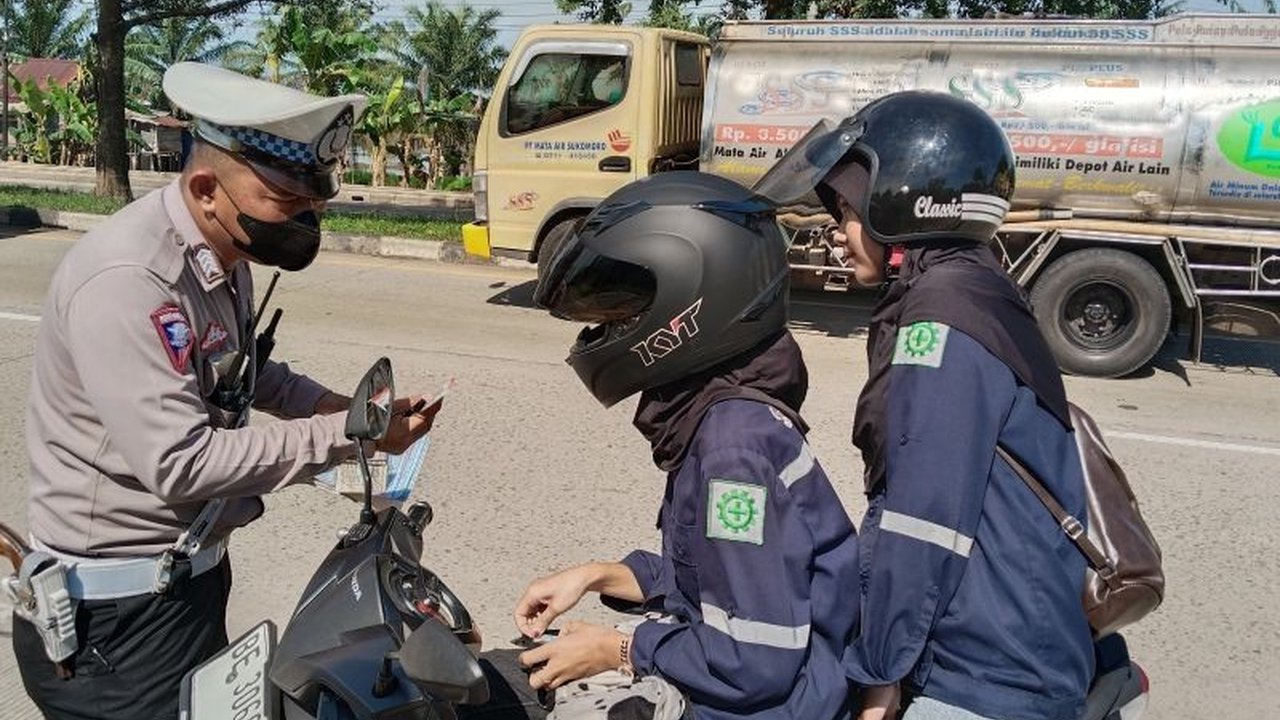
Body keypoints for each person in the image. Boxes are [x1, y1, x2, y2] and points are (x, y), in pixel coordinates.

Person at [12, 62, 443, 720]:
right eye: (288, 201)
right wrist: (348, 435)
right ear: (208, 187)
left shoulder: (220, 252)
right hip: (113, 629)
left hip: (184, 588)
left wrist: (338, 407)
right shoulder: (130, 279)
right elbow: (181, 464)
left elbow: (239, 371)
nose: (309, 217)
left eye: (315, 198)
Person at [755, 91, 1095, 720]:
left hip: (985, 671)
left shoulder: (938, 322)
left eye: (847, 209)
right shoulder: (976, 286)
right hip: (1011, 633)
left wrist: (880, 672)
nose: (836, 229)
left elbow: (921, 519)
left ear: (901, 204)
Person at [514, 171, 861, 720]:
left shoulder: (733, 451)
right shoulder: (719, 411)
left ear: (687, 308)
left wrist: (619, 650)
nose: (606, 330)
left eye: (623, 313)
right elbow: (715, 580)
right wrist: (600, 574)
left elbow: (755, 660)